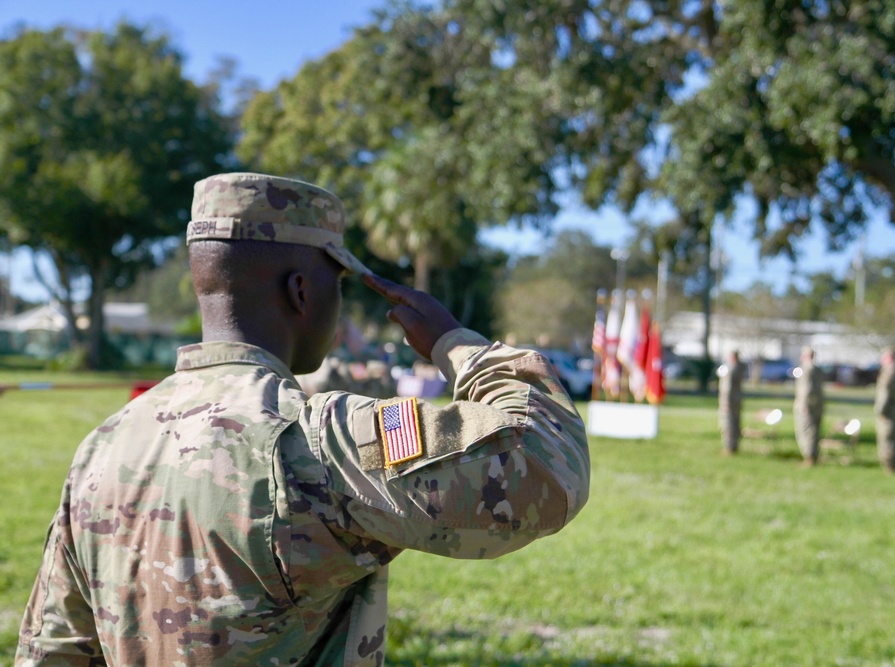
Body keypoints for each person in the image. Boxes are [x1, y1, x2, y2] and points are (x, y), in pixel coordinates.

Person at [15, 173, 591, 666]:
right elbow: (547, 463)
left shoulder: (105, 445)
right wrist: (457, 345)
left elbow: (54, 647)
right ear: (300, 291)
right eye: (335, 283)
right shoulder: (315, 440)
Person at [873, 346, 895, 473]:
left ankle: (889, 467)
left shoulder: (888, 373)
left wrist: (880, 411)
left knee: (886, 441)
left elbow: (884, 395)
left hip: (888, 413)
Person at [793, 346, 824, 467]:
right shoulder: (817, 369)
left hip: (807, 405)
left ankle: (809, 457)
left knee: (806, 431)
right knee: (814, 431)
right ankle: (814, 455)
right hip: (817, 404)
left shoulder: (806, 369)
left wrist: (804, 405)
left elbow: (806, 389)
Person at [717, 350, 744, 455]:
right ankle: (735, 445)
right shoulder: (740, 367)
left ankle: (729, 447)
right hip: (737, 400)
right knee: (736, 422)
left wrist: (725, 402)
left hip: (729, 401)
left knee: (728, 424)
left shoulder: (731, 369)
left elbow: (727, 388)